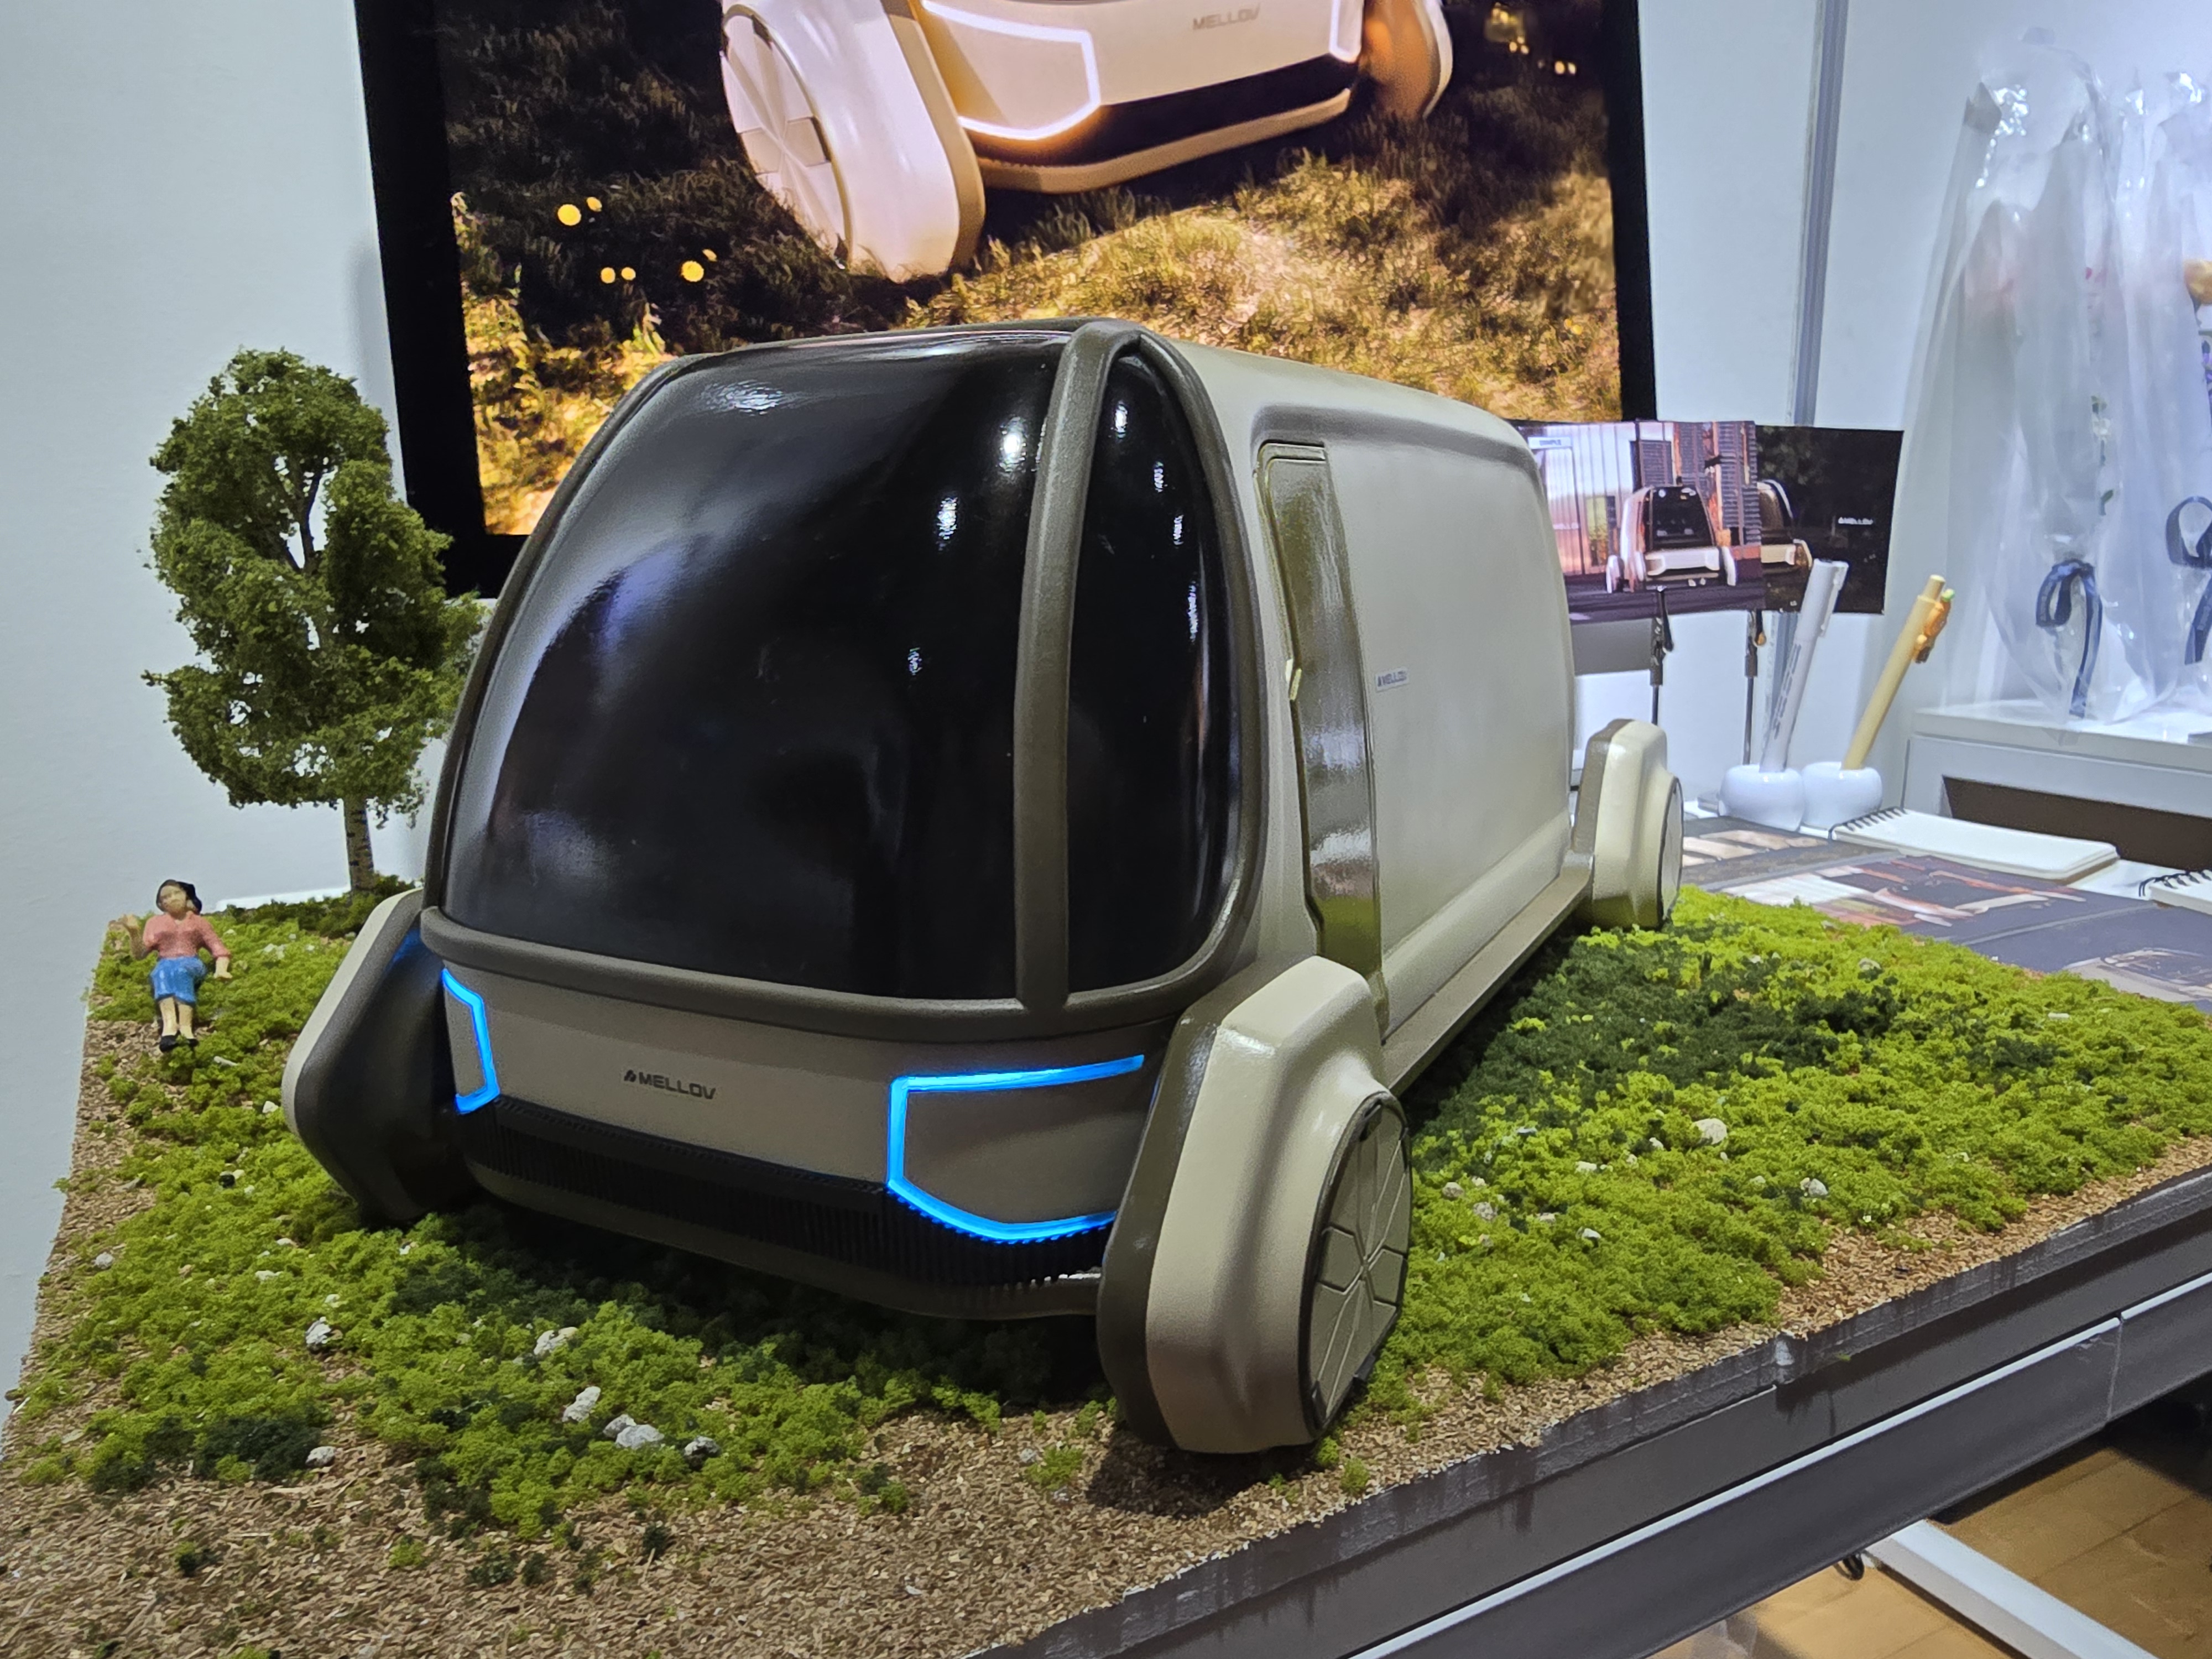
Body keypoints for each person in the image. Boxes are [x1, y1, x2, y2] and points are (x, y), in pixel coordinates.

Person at [116, 880, 230, 1051]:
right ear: (161, 904)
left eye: (177, 893)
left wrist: (221, 969)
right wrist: (134, 933)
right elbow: (141, 954)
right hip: (165, 962)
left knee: (180, 971)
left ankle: (186, 1027)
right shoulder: (155, 923)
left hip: (191, 962)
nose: (172, 898)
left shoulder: (199, 923)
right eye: (166, 897)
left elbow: (218, 949)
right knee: (161, 972)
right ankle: (169, 1026)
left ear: (187, 896)